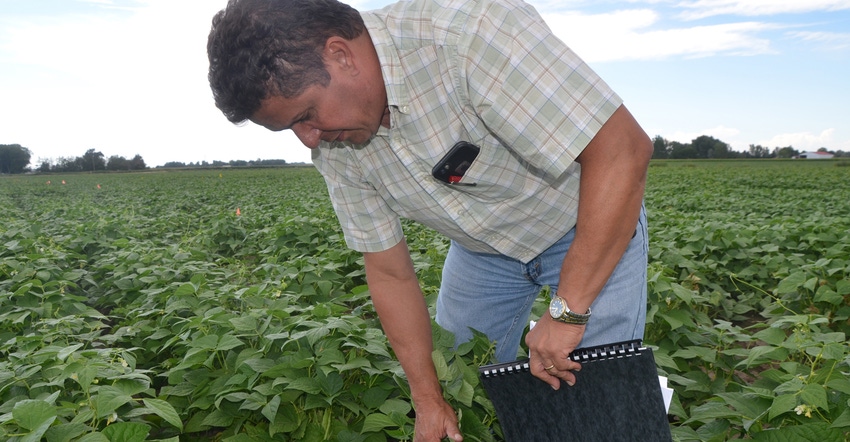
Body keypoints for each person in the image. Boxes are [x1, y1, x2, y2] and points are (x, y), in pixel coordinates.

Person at [207, 0, 653, 440]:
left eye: (305, 115)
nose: (309, 138)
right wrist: (428, 400)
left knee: (596, 397)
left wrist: (568, 311)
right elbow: (388, 270)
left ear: (340, 55)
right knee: (459, 379)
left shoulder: (468, 33)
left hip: (589, 222)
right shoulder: (333, 141)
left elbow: (622, 151)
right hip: (481, 251)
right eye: (292, 128)